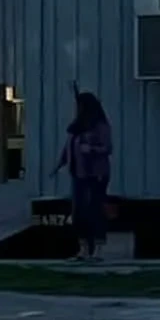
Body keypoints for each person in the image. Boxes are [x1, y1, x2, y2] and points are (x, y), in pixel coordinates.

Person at [53, 89, 117, 257]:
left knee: (95, 209)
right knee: (79, 211)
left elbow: (108, 147)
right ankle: (82, 248)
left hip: (96, 174)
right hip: (78, 174)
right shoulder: (76, 126)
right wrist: (60, 163)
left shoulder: (100, 126)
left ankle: (98, 248)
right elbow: (68, 147)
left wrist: (91, 149)